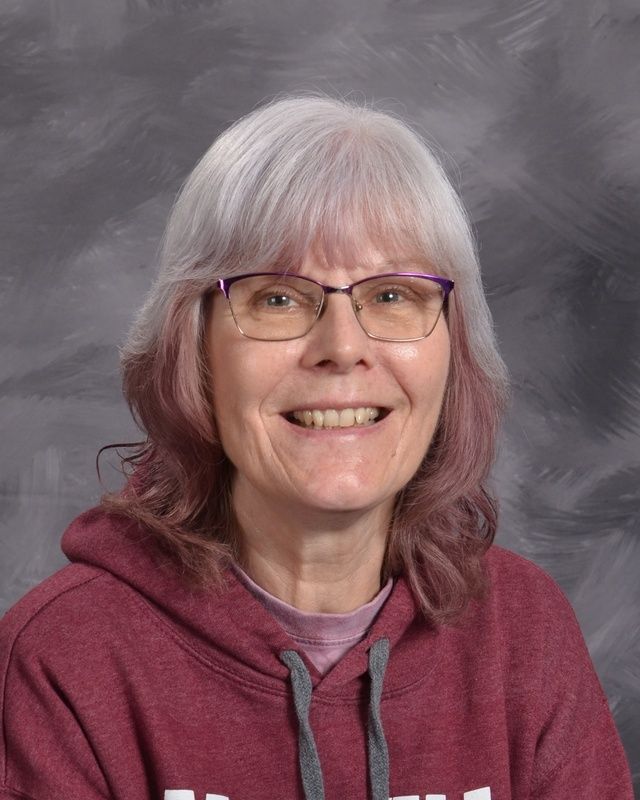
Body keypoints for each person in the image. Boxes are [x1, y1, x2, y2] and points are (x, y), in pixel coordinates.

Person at [0, 94, 633, 800]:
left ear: (453, 351)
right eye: (278, 298)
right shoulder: (64, 660)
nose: (342, 349)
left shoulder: (524, 632)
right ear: (194, 349)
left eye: (393, 295)